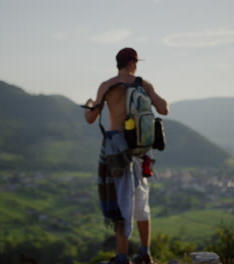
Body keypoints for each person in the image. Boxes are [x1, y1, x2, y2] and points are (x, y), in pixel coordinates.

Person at [84, 47, 169, 264]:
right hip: (140, 148)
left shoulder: (107, 85)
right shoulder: (143, 84)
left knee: (121, 201)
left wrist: (91, 105)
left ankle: (122, 257)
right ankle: (145, 253)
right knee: (141, 201)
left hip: (116, 148)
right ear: (133, 63)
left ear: (118, 63)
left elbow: (91, 118)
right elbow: (164, 109)